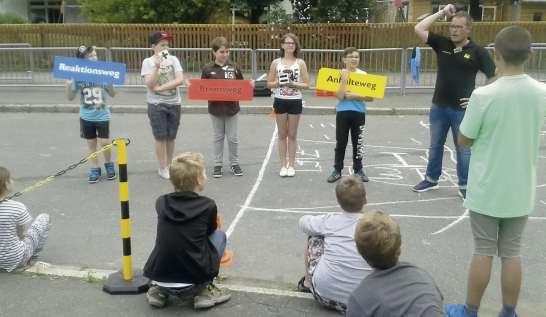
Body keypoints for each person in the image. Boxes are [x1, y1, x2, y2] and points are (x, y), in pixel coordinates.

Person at [444, 26, 546, 317]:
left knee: (484, 250)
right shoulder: (541, 92)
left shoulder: (484, 95)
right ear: (531, 54)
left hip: (487, 186)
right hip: (521, 186)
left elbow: (464, 139)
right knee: (512, 253)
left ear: (494, 54)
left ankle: (470, 310)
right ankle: (508, 311)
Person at [412, 4, 495, 198]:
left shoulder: (478, 52)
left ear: (468, 29)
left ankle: (465, 185)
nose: (454, 30)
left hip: (462, 110)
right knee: (435, 145)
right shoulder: (443, 44)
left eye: (459, 27)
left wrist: (479, 97)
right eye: (452, 26)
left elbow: (494, 77)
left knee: (464, 149)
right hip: (438, 106)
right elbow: (419, 28)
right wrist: (441, 13)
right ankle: (431, 179)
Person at [143, 152, 231, 310]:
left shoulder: (161, 202)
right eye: (204, 172)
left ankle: (158, 291)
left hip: (159, 276)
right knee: (219, 236)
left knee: (169, 239)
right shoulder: (208, 205)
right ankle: (204, 290)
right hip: (194, 281)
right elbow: (210, 231)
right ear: (198, 180)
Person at [347, 210, 444, 316]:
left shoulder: (360, 298)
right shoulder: (422, 277)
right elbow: (438, 301)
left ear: (360, 253)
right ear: (399, 249)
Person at [298, 175, 372, 313]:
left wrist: (322, 221)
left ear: (338, 202)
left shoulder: (330, 221)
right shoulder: (374, 226)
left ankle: (308, 283)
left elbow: (303, 222)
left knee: (314, 237)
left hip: (324, 295)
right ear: (365, 199)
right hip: (362, 303)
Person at [65, 45, 116, 183]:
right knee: (91, 143)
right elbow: (70, 97)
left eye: (94, 55)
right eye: (89, 56)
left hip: (102, 114)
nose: (93, 58)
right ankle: (95, 168)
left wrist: (110, 83)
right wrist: (69, 85)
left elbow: (112, 94)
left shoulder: (103, 73)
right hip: (86, 116)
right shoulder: (78, 76)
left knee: (105, 142)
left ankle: (109, 164)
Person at [141, 31, 185, 180]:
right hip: (156, 104)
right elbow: (150, 84)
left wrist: (161, 88)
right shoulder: (148, 62)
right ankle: (162, 167)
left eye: (167, 44)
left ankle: (170, 164)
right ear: (154, 46)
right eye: (162, 45)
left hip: (174, 102)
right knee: (160, 136)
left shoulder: (173, 59)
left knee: (171, 136)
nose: (166, 47)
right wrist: (157, 67)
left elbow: (180, 80)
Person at [327, 47, 373, 184]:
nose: (354, 59)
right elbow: (340, 96)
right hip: (342, 112)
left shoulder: (363, 75)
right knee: (341, 143)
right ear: (344, 59)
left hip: (359, 113)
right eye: (351, 56)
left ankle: (358, 169)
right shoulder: (337, 75)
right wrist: (344, 80)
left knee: (358, 143)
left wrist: (354, 95)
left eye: (357, 57)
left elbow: (370, 98)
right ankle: (337, 170)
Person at [266, 33, 310, 177]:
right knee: (282, 134)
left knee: (292, 134)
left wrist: (293, 84)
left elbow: (307, 84)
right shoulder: (276, 63)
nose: (290, 45)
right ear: (282, 45)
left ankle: (291, 165)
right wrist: (278, 82)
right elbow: (269, 83)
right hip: (280, 100)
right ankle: (283, 165)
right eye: (287, 43)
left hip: (295, 100)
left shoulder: (300, 63)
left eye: (293, 43)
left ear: (295, 46)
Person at [201, 36, 244, 178]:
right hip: (215, 109)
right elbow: (202, 88)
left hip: (232, 109)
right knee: (218, 137)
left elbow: (241, 86)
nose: (225, 54)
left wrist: (250, 87)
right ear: (214, 52)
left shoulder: (234, 68)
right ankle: (218, 164)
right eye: (221, 52)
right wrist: (194, 88)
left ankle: (234, 163)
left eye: (227, 51)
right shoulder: (207, 69)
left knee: (233, 138)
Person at [0, 167, 50, 272]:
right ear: (6, 185)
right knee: (44, 218)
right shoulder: (17, 207)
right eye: (10, 179)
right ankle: (32, 256)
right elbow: (21, 233)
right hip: (14, 259)